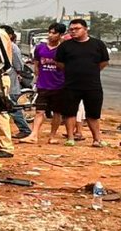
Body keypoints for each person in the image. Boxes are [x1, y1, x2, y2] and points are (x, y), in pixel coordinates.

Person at [51, 17, 111, 145]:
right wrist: (72, 71)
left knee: (93, 114)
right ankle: (70, 138)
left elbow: (104, 62)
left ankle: (97, 139)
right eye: (71, 29)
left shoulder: (98, 44)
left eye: (76, 29)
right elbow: (59, 63)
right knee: (69, 112)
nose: (73, 31)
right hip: (71, 85)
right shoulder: (65, 46)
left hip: (92, 85)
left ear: (85, 29)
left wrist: (91, 71)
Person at [33, 21, 67, 144]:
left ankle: (52, 136)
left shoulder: (63, 50)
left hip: (59, 85)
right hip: (43, 84)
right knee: (39, 111)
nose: (50, 35)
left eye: (54, 33)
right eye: (50, 32)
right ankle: (34, 134)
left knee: (56, 112)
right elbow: (36, 64)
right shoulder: (40, 48)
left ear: (60, 35)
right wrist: (37, 77)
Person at [1, 25, 34, 140]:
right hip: (9, 80)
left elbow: (19, 66)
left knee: (13, 107)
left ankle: (25, 129)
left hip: (10, 80)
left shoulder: (13, 47)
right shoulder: (6, 46)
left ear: (9, 35)